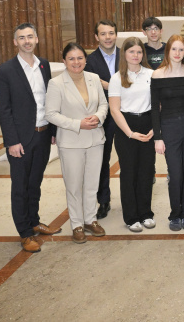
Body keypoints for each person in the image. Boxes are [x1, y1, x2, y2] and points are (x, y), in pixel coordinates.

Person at [0, 23, 60, 252]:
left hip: (42, 134)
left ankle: (34, 221)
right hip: (21, 139)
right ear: (15, 42)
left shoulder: (44, 65)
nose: (26, 41)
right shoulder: (4, 71)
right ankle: (24, 233)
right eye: (21, 38)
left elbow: (48, 100)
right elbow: (4, 110)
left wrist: (52, 131)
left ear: (37, 39)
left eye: (30, 36)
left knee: (35, 183)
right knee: (20, 187)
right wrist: (11, 142)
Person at [45, 42, 109, 244]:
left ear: (85, 60)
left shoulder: (92, 79)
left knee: (92, 184)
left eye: (80, 58)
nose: (76, 62)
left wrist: (98, 117)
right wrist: (78, 124)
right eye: (71, 58)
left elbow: (104, 104)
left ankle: (90, 220)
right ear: (64, 61)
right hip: (71, 142)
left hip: (95, 139)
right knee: (74, 185)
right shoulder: (56, 83)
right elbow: (51, 114)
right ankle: (77, 224)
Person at [108, 37, 156, 233]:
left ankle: (145, 213)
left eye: (139, 52)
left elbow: (157, 104)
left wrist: (155, 129)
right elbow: (114, 109)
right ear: (124, 54)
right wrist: (129, 133)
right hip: (125, 127)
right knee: (129, 172)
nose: (135, 55)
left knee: (146, 171)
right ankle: (131, 217)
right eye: (131, 52)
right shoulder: (117, 78)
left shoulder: (152, 74)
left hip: (148, 123)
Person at [151, 35, 184, 231]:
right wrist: (157, 137)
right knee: (176, 174)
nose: (177, 53)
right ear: (167, 51)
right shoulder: (157, 75)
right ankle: (174, 214)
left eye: (181, 49)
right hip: (169, 126)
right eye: (174, 49)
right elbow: (155, 108)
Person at [84, 20, 119, 221]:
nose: (108, 37)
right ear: (96, 37)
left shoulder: (128, 54)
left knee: (130, 158)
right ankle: (103, 199)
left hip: (126, 114)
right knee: (101, 160)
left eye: (111, 33)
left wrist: (109, 85)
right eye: (103, 34)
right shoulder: (88, 61)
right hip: (102, 117)